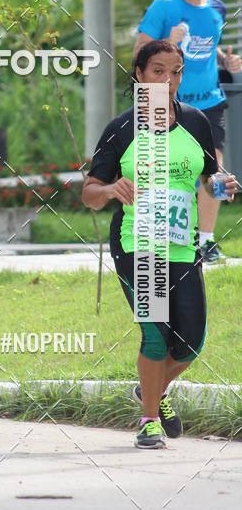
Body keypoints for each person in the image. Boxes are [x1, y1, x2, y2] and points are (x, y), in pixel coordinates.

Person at [82, 40, 237, 448]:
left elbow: (208, 177)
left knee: (191, 341)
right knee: (156, 336)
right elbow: (89, 193)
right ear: (139, 75)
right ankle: (149, 419)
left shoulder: (196, 121)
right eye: (158, 71)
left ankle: (152, 390)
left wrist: (221, 185)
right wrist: (112, 188)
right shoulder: (121, 128)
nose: (168, 80)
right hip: (138, 242)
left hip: (182, 246)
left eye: (176, 71)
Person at [134, 0, 242, 263]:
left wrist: (228, 61)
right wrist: (168, 40)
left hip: (210, 102)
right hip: (167, 101)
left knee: (214, 169)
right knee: (167, 171)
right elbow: (140, 52)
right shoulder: (163, 6)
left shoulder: (217, 9)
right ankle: (164, 239)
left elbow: (211, 48)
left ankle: (206, 241)